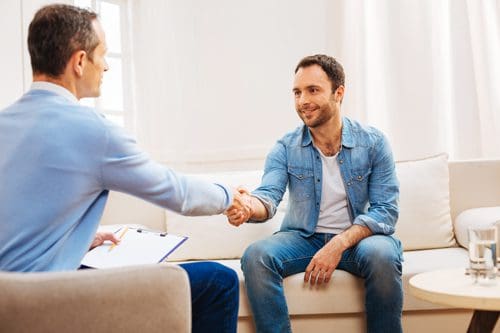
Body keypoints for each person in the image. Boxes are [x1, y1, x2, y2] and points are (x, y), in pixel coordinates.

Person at [0, 4, 243, 333]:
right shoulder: (93, 130)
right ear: (80, 61)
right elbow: (178, 193)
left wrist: (74, 240)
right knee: (219, 281)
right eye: (103, 55)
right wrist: (231, 197)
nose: (106, 67)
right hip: (47, 303)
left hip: (7, 304)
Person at [226, 54, 403, 333]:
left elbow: (385, 211)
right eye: (297, 92)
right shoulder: (285, 147)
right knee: (256, 256)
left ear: (339, 93)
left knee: (382, 255)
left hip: (358, 240)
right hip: (302, 238)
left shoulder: (373, 142)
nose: (302, 101)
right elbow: (268, 196)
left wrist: (338, 244)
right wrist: (248, 206)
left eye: (313, 90)